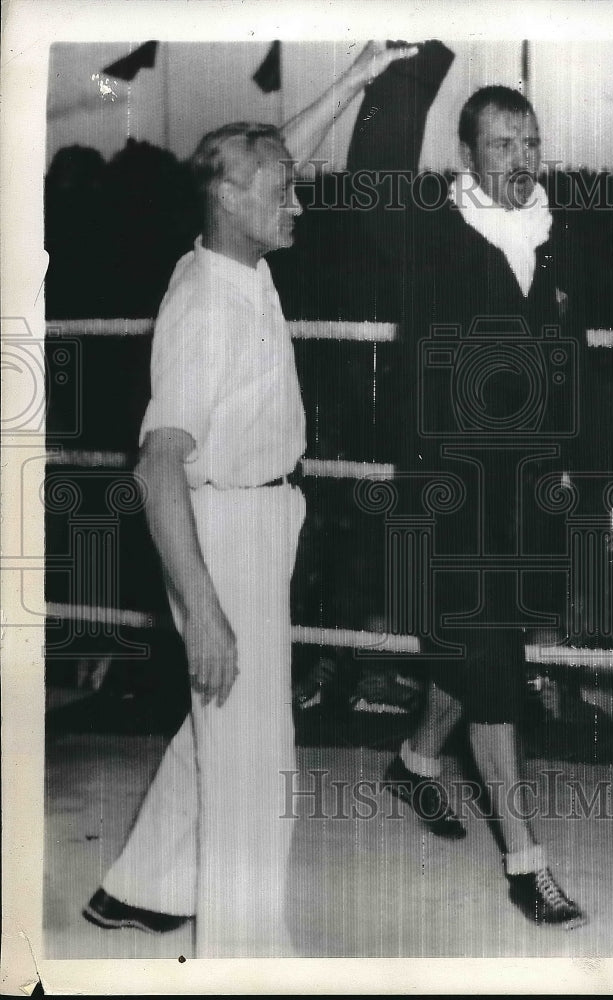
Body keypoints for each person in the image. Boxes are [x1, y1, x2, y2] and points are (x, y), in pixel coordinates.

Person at [82, 41, 418, 958]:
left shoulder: (236, 251)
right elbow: (156, 470)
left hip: (257, 519)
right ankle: (244, 957)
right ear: (231, 198)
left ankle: (139, 887)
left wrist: (350, 82)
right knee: (255, 762)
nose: (298, 198)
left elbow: (275, 153)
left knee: (219, 726)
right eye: (283, 191)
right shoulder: (205, 314)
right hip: (219, 529)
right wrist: (204, 611)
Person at [347, 66, 613, 929]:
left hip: (525, 490)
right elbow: (372, 162)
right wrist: (410, 63)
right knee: (496, 666)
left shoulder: (554, 235)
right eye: (504, 144)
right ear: (467, 154)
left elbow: (575, 366)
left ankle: (413, 761)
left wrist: (609, 480)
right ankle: (526, 860)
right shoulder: (429, 229)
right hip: (448, 491)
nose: (523, 157)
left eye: (532, 141)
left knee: (485, 645)